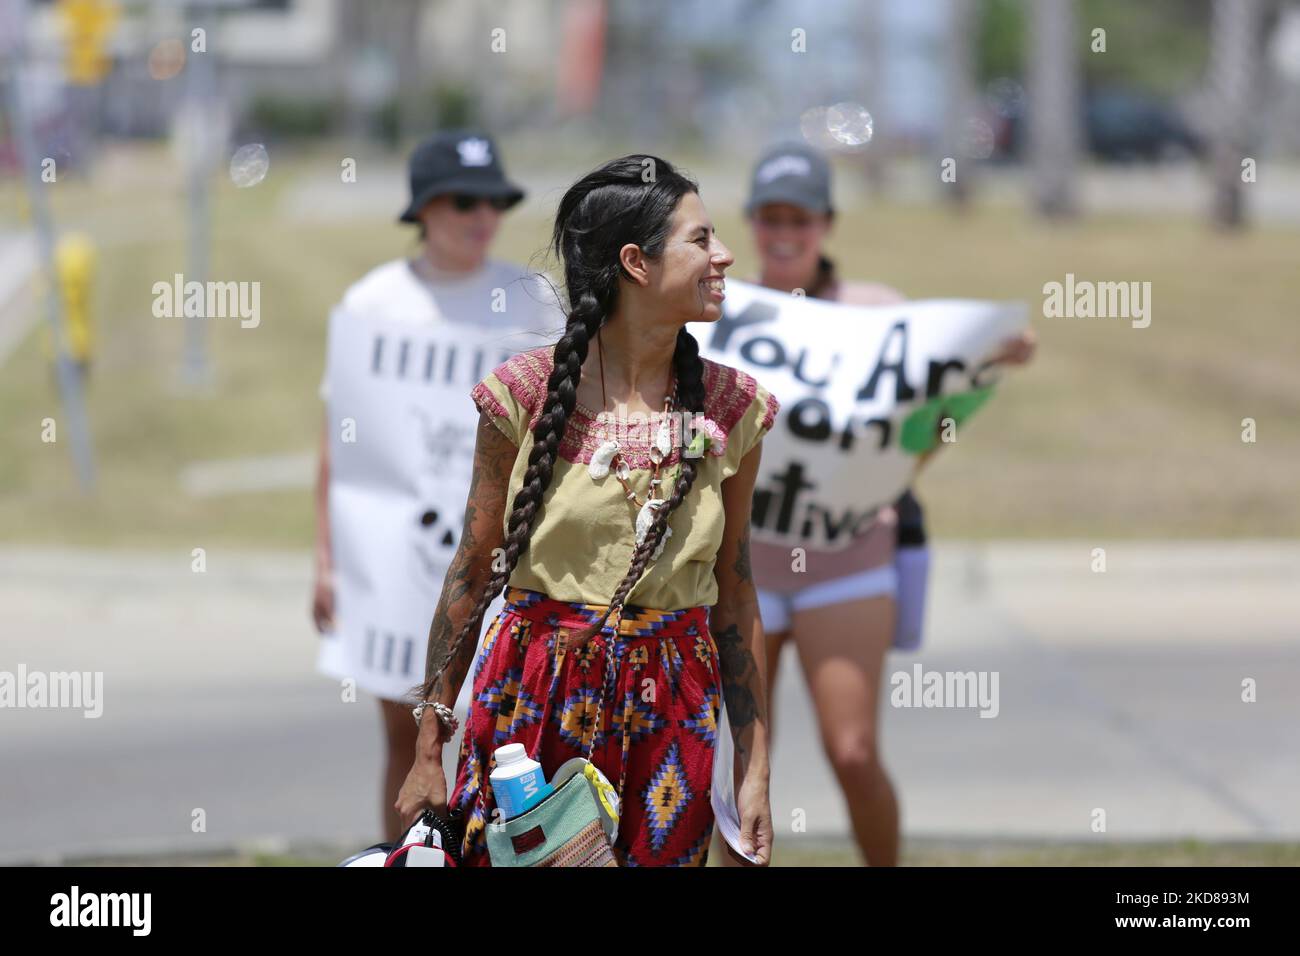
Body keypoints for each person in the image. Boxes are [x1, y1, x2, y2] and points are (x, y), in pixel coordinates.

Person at [394, 155, 780, 867]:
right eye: (700, 239)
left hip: (675, 712)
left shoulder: (734, 410)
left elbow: (736, 591)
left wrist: (753, 769)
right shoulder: (523, 397)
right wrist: (428, 747)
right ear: (636, 263)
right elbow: (472, 573)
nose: (724, 256)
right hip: (530, 708)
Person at [735, 141, 1035, 866]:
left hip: (849, 559)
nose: (785, 231)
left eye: (800, 217)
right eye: (770, 215)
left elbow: (926, 429)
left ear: (826, 222)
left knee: (855, 751)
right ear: (750, 221)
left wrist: (988, 362)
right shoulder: (724, 312)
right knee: (739, 764)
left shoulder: (879, 314)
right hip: (741, 570)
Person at [312, 129, 558, 842]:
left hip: (502, 554)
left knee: (505, 735)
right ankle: (408, 856)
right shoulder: (374, 301)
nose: (481, 216)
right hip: (395, 557)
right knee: (407, 733)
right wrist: (326, 561)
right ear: (424, 208)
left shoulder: (533, 301)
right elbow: (341, 445)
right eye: (463, 201)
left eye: (494, 201)